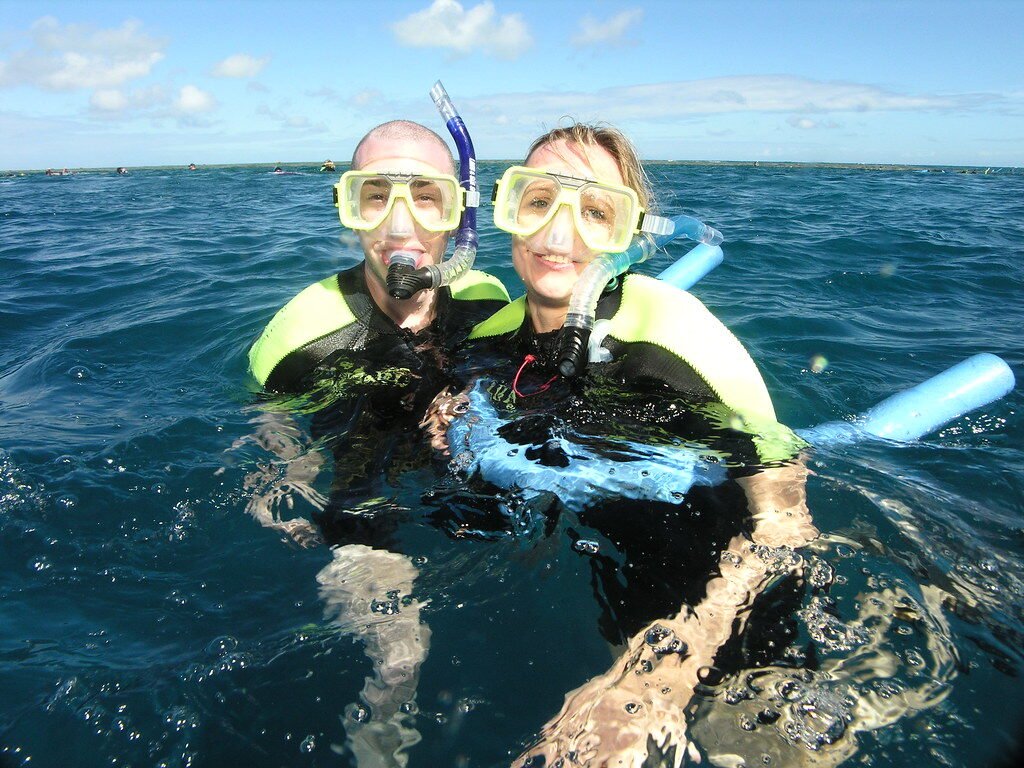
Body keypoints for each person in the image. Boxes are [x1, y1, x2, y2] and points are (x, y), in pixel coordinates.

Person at [451, 124, 817, 766]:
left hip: (732, 617)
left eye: (596, 212)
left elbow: (786, 522)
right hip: (610, 586)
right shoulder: (495, 338)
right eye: (538, 201)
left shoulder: (671, 332)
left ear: (628, 237)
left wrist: (661, 676)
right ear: (510, 215)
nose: (559, 235)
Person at [244, 119, 509, 766]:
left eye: (426, 195)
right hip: (358, 488)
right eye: (375, 195)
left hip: (459, 479)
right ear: (349, 211)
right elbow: (269, 423)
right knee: (400, 659)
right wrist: (282, 469)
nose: (399, 224)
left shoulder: (487, 300)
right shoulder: (298, 332)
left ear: (458, 215)